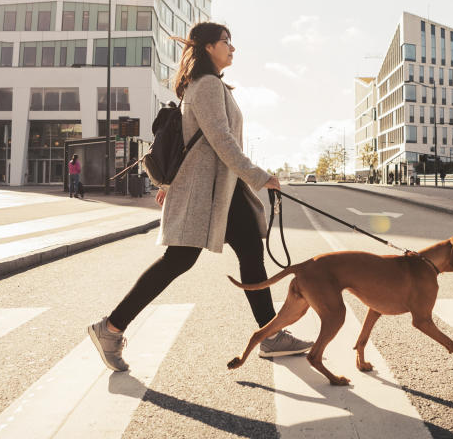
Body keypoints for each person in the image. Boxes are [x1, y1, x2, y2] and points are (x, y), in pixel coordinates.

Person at [88, 22, 312, 371]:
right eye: (226, 42)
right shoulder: (207, 85)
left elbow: (197, 144)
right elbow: (221, 140)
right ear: (208, 47)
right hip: (207, 191)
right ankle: (111, 327)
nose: (232, 49)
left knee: (251, 253)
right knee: (179, 260)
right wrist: (259, 176)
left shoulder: (213, 85)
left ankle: (270, 336)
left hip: (220, 189)